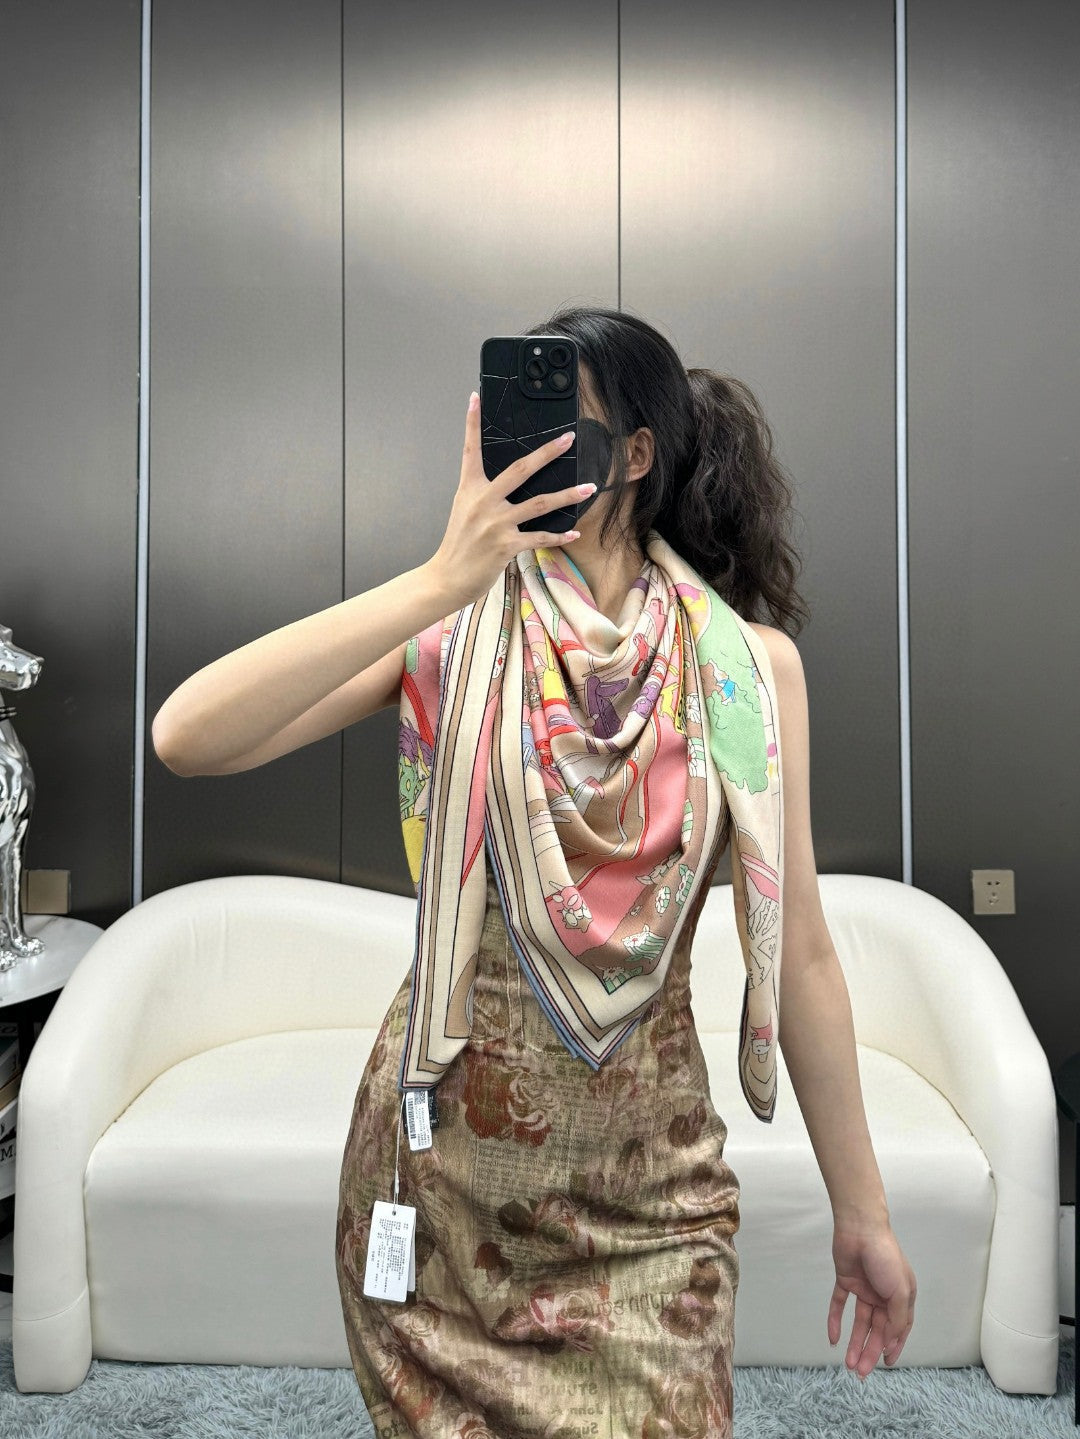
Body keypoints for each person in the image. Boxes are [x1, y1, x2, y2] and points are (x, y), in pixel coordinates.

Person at [153, 304, 916, 1439]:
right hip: (444, 1197)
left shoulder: (747, 671)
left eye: (563, 426)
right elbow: (187, 735)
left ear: (636, 454)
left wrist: (866, 1211)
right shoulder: (451, 635)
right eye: (513, 425)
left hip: (653, 1202)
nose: (529, 451)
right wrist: (436, 579)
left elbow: (800, 953)